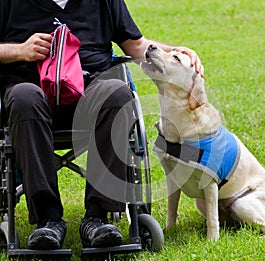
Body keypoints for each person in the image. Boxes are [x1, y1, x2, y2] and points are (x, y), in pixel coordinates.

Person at [0, 0, 203, 250]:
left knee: (117, 92)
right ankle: (48, 220)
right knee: (24, 98)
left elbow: (137, 45)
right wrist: (20, 50)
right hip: (31, 94)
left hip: (90, 93)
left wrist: (178, 51)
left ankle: (97, 218)